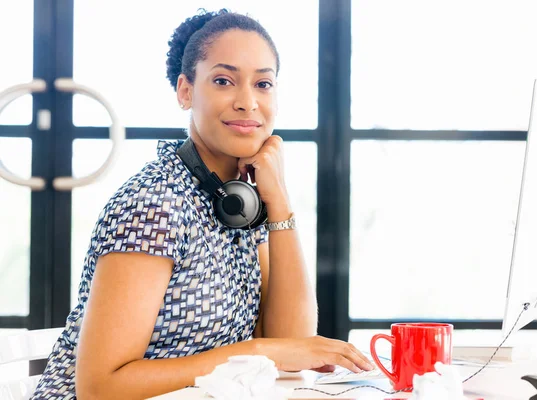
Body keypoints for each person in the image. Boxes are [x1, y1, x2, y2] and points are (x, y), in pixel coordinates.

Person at [32, 8, 374, 400]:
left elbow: (293, 344)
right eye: (224, 80)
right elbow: (100, 387)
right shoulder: (154, 204)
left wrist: (279, 202)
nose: (248, 102)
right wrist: (258, 350)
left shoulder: (237, 200)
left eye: (263, 84)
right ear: (185, 91)